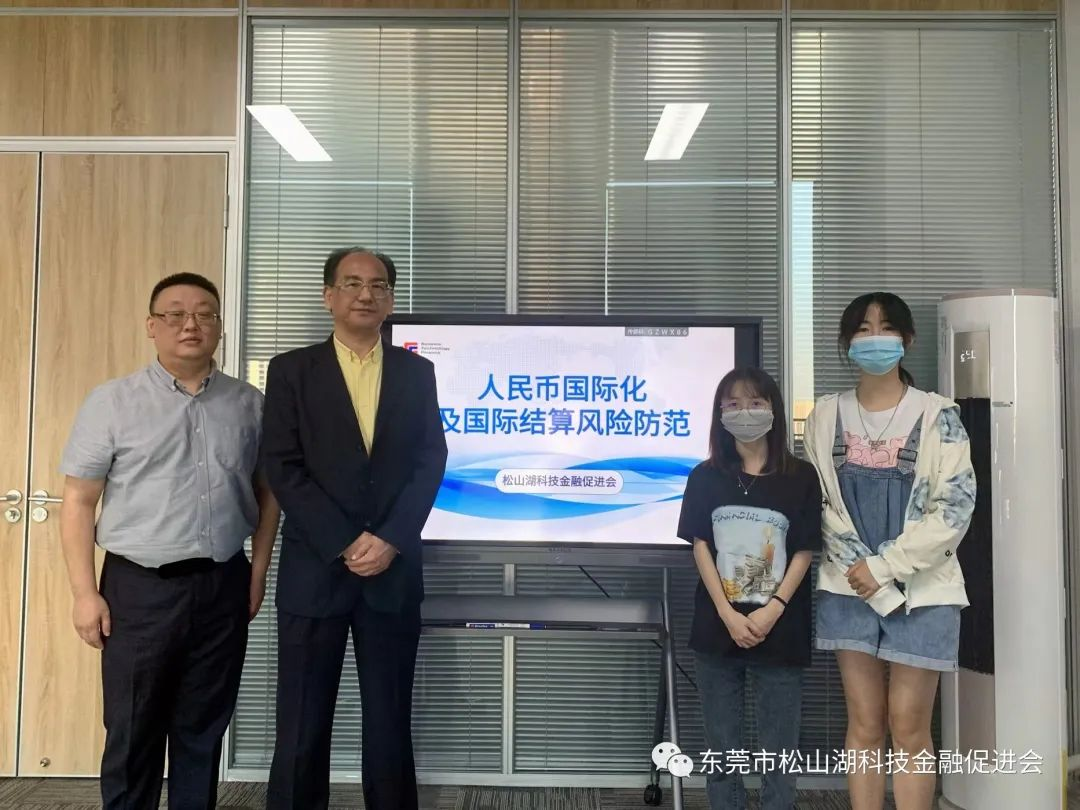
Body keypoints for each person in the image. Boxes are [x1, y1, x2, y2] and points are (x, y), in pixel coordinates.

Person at [59, 272, 280, 810]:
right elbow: (79, 501)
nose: (190, 325)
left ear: (220, 327)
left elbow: (267, 495)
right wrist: (85, 594)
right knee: (133, 728)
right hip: (139, 589)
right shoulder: (112, 402)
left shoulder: (249, 405)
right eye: (176, 314)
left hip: (222, 584)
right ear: (151, 326)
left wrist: (257, 572)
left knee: (203, 728)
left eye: (205, 314)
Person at [262, 247, 448, 810]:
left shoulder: (417, 373)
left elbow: (430, 460)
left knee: (389, 722)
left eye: (379, 285)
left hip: (392, 573)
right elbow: (282, 466)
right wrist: (343, 541)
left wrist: (390, 538)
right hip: (314, 570)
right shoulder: (291, 370)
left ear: (390, 300)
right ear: (329, 296)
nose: (366, 294)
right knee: (301, 723)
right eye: (352, 283)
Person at [803, 292, 976, 810]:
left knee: (910, 726)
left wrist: (885, 568)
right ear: (846, 343)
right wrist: (866, 574)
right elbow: (819, 505)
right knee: (865, 723)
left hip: (924, 588)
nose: (874, 338)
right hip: (847, 583)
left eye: (886, 327)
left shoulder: (939, 415)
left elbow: (955, 507)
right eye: (862, 329)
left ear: (908, 340)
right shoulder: (824, 415)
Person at [677, 366, 822, 810]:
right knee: (722, 752)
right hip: (718, 626)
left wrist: (772, 609)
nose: (745, 412)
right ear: (720, 413)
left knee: (780, 752)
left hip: (780, 626)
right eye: (733, 404)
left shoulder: (800, 476)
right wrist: (727, 613)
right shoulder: (705, 476)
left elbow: (804, 550)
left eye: (755, 402)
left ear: (773, 409)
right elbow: (701, 546)